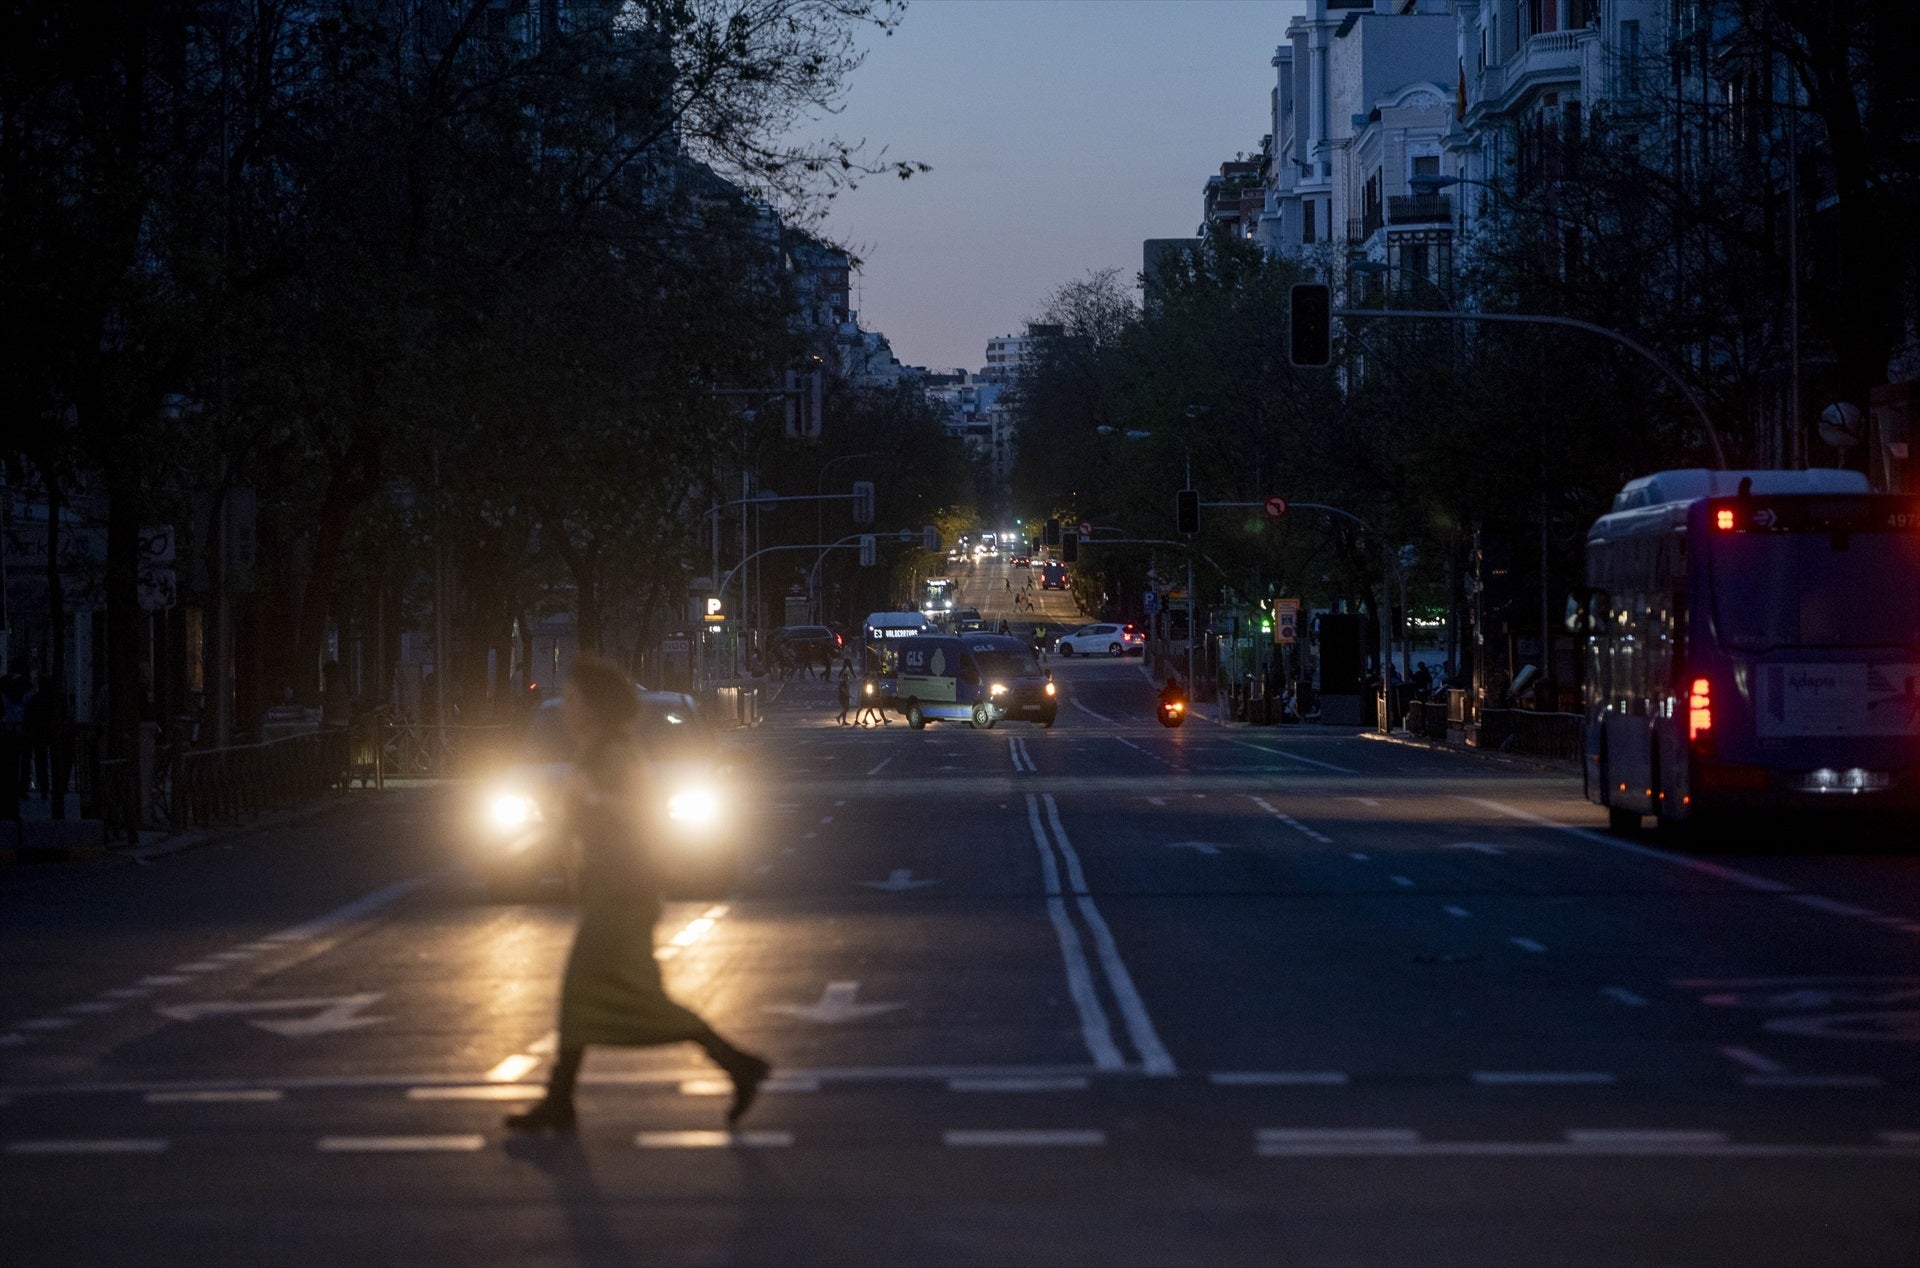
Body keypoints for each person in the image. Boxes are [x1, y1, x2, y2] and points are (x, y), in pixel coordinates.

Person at [506, 656, 769, 1135]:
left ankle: (738, 1063)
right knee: (584, 996)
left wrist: (593, 801)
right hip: (610, 887)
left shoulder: (614, 752)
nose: (567, 708)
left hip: (625, 890)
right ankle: (560, 1099)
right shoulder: (592, 750)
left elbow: (639, 812)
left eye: (574, 699)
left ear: (594, 706)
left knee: (623, 998)